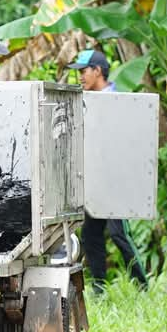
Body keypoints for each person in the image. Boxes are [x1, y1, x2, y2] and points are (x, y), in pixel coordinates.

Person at [68, 49, 149, 291]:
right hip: (94, 181)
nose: (80, 77)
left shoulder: (118, 101)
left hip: (116, 181)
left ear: (98, 71)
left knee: (118, 234)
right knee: (91, 236)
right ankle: (99, 289)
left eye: (83, 71)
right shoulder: (85, 102)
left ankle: (142, 286)